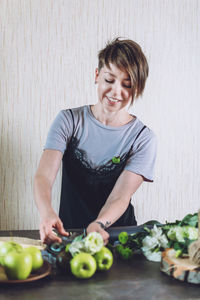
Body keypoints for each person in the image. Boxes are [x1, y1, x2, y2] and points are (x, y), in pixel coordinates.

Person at [34, 37, 157, 246]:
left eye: (127, 85)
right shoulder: (68, 121)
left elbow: (121, 196)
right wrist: (47, 212)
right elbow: (44, 176)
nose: (116, 92)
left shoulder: (143, 138)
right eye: (109, 80)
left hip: (118, 236)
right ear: (97, 75)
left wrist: (99, 224)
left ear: (137, 89)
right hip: (68, 233)